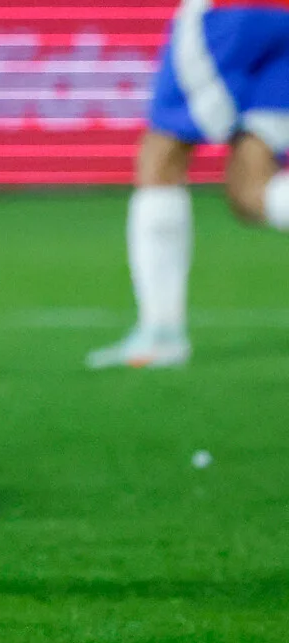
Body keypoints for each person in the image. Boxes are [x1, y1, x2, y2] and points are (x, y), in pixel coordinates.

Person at [86, 0, 289, 369]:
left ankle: (161, 335)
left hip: (230, 13)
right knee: (252, 192)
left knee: (161, 155)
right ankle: (160, 335)